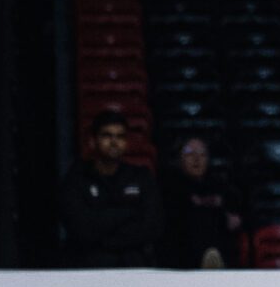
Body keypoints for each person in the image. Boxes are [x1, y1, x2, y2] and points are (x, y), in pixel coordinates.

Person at [57, 110, 161, 268]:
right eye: (107, 135)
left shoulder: (141, 177)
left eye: (120, 136)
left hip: (134, 267)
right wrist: (129, 213)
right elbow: (80, 229)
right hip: (88, 268)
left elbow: (152, 226)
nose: (114, 142)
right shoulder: (76, 178)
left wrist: (102, 225)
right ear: (93, 140)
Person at [160, 135, 243, 269]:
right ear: (180, 159)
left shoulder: (221, 186)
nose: (196, 159)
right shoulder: (170, 187)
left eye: (202, 154)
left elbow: (236, 218)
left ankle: (214, 262)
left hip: (220, 247)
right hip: (183, 255)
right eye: (190, 154)